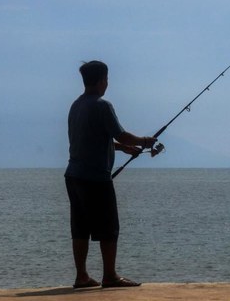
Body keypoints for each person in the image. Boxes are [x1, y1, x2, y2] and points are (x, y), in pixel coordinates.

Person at [64, 60, 157, 289]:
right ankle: (110, 276)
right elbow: (122, 134)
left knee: (80, 227)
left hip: (73, 176)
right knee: (109, 227)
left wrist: (119, 148)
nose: (108, 83)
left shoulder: (76, 106)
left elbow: (91, 139)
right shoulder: (102, 105)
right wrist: (145, 141)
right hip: (95, 178)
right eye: (107, 79)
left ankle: (82, 277)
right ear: (101, 80)